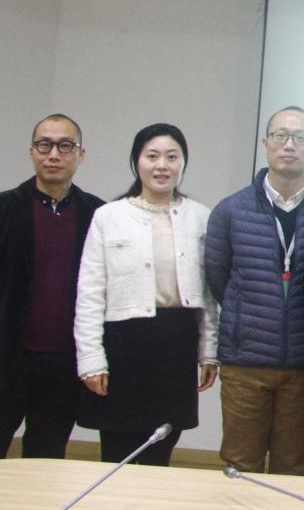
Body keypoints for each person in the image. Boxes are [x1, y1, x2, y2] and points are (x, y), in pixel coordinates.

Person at [0, 114, 105, 462]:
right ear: (31, 152)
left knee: (45, 462)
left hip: (64, 365)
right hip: (3, 362)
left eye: (65, 146)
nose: (54, 154)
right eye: (44, 145)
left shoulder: (98, 214)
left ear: (80, 155)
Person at [206, 106, 304, 476]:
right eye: (281, 136)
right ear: (265, 143)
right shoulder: (231, 210)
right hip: (245, 361)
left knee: (293, 466)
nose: (289, 145)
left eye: (300, 138)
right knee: (240, 464)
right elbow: (219, 279)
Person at [75, 123, 219, 466]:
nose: (162, 165)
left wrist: (209, 352)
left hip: (176, 347)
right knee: (116, 456)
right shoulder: (109, 216)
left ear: (183, 163)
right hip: (122, 348)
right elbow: (90, 293)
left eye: (172, 157)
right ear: (136, 162)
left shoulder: (200, 217)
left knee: (160, 454)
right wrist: (91, 359)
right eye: (152, 156)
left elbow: (208, 294)